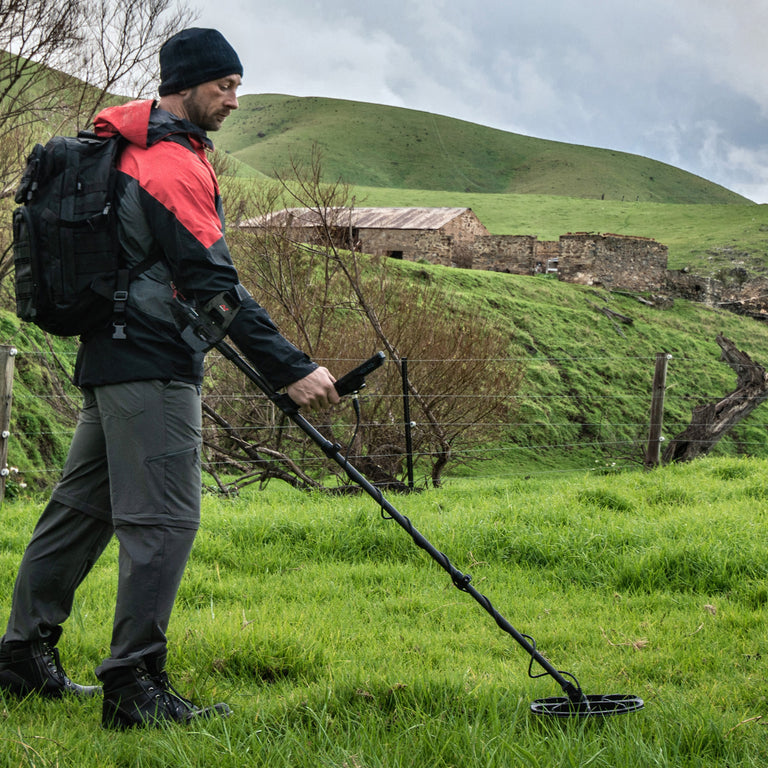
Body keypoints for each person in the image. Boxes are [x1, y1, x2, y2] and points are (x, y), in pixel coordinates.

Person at [0, 27, 339, 729]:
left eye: (239, 85)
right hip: (151, 364)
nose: (235, 100)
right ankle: (134, 686)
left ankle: (20, 660)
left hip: (111, 356)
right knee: (165, 521)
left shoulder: (132, 147)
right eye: (225, 86)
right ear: (184, 85)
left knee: (81, 512)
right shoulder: (169, 164)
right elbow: (213, 283)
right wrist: (291, 369)